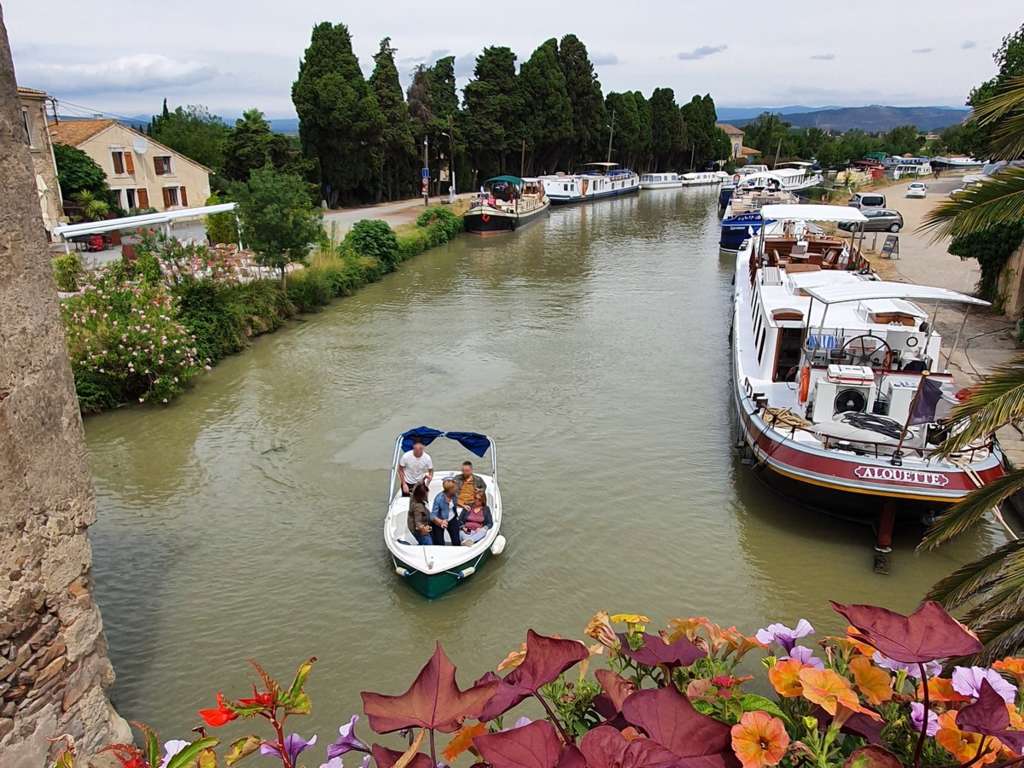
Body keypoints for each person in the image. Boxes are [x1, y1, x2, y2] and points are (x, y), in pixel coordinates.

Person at [430, 479, 460, 546]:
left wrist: (463, 506)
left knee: (456, 541)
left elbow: (454, 503)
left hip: (452, 519)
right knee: (439, 543)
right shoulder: (439, 498)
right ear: (450, 490)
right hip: (440, 521)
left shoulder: (454, 495)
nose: (457, 488)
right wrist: (441, 522)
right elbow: (432, 515)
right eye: (455, 487)